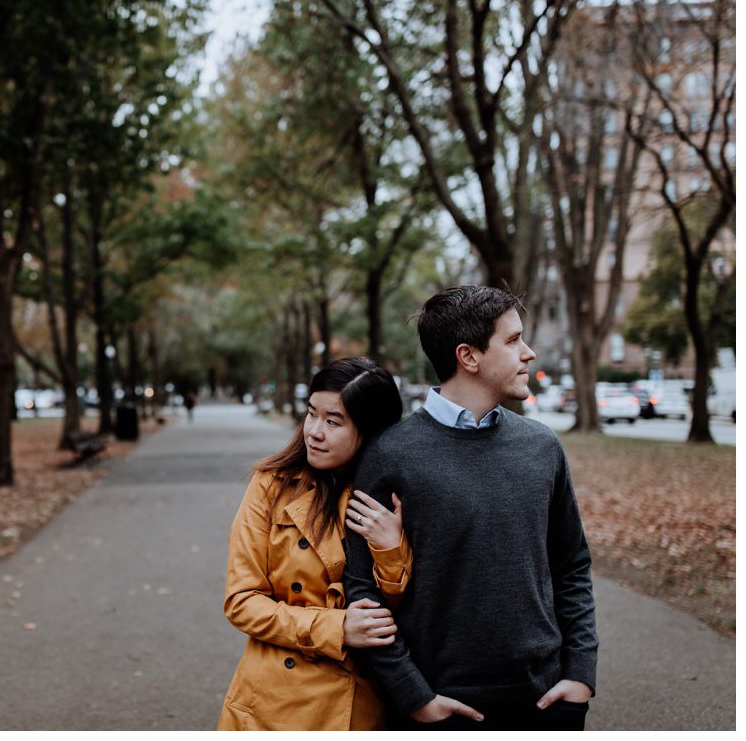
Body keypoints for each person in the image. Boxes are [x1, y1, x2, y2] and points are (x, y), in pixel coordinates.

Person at [343, 285, 598, 730]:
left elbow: (571, 565)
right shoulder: (389, 456)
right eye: (514, 340)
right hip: (437, 708)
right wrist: (413, 696)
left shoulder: (542, 447)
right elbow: (362, 589)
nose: (529, 353)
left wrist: (580, 675)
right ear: (469, 356)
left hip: (546, 702)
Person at [218, 358, 409, 730]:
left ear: (370, 430)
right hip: (272, 701)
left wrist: (390, 549)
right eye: (311, 414)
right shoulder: (271, 485)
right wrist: (335, 629)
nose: (314, 432)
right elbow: (241, 601)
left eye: (333, 421)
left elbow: (404, 614)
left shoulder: (393, 497)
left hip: (355, 703)